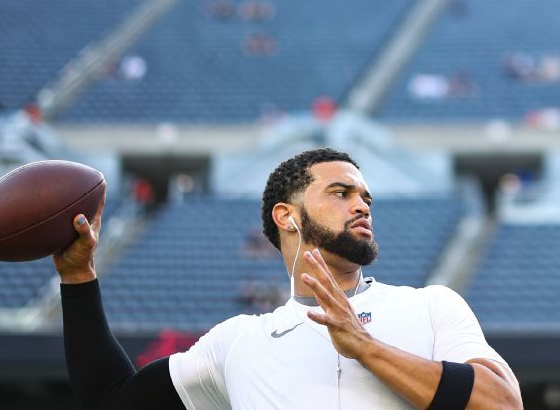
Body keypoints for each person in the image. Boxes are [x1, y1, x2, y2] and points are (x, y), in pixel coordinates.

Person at [53, 147, 521, 410]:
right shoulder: (238, 343)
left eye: (365, 197)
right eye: (340, 192)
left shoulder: (431, 306)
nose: (361, 205)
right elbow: (109, 400)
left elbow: (502, 403)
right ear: (286, 216)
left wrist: (365, 347)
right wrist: (77, 276)